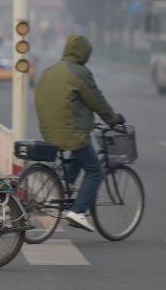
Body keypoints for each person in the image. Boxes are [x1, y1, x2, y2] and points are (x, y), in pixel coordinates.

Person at [34, 34, 124, 232]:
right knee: (94, 170)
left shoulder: (49, 71)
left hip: (49, 131)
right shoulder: (79, 72)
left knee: (77, 153)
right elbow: (96, 101)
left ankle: (67, 183)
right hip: (72, 132)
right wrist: (113, 119)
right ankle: (78, 211)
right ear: (84, 53)